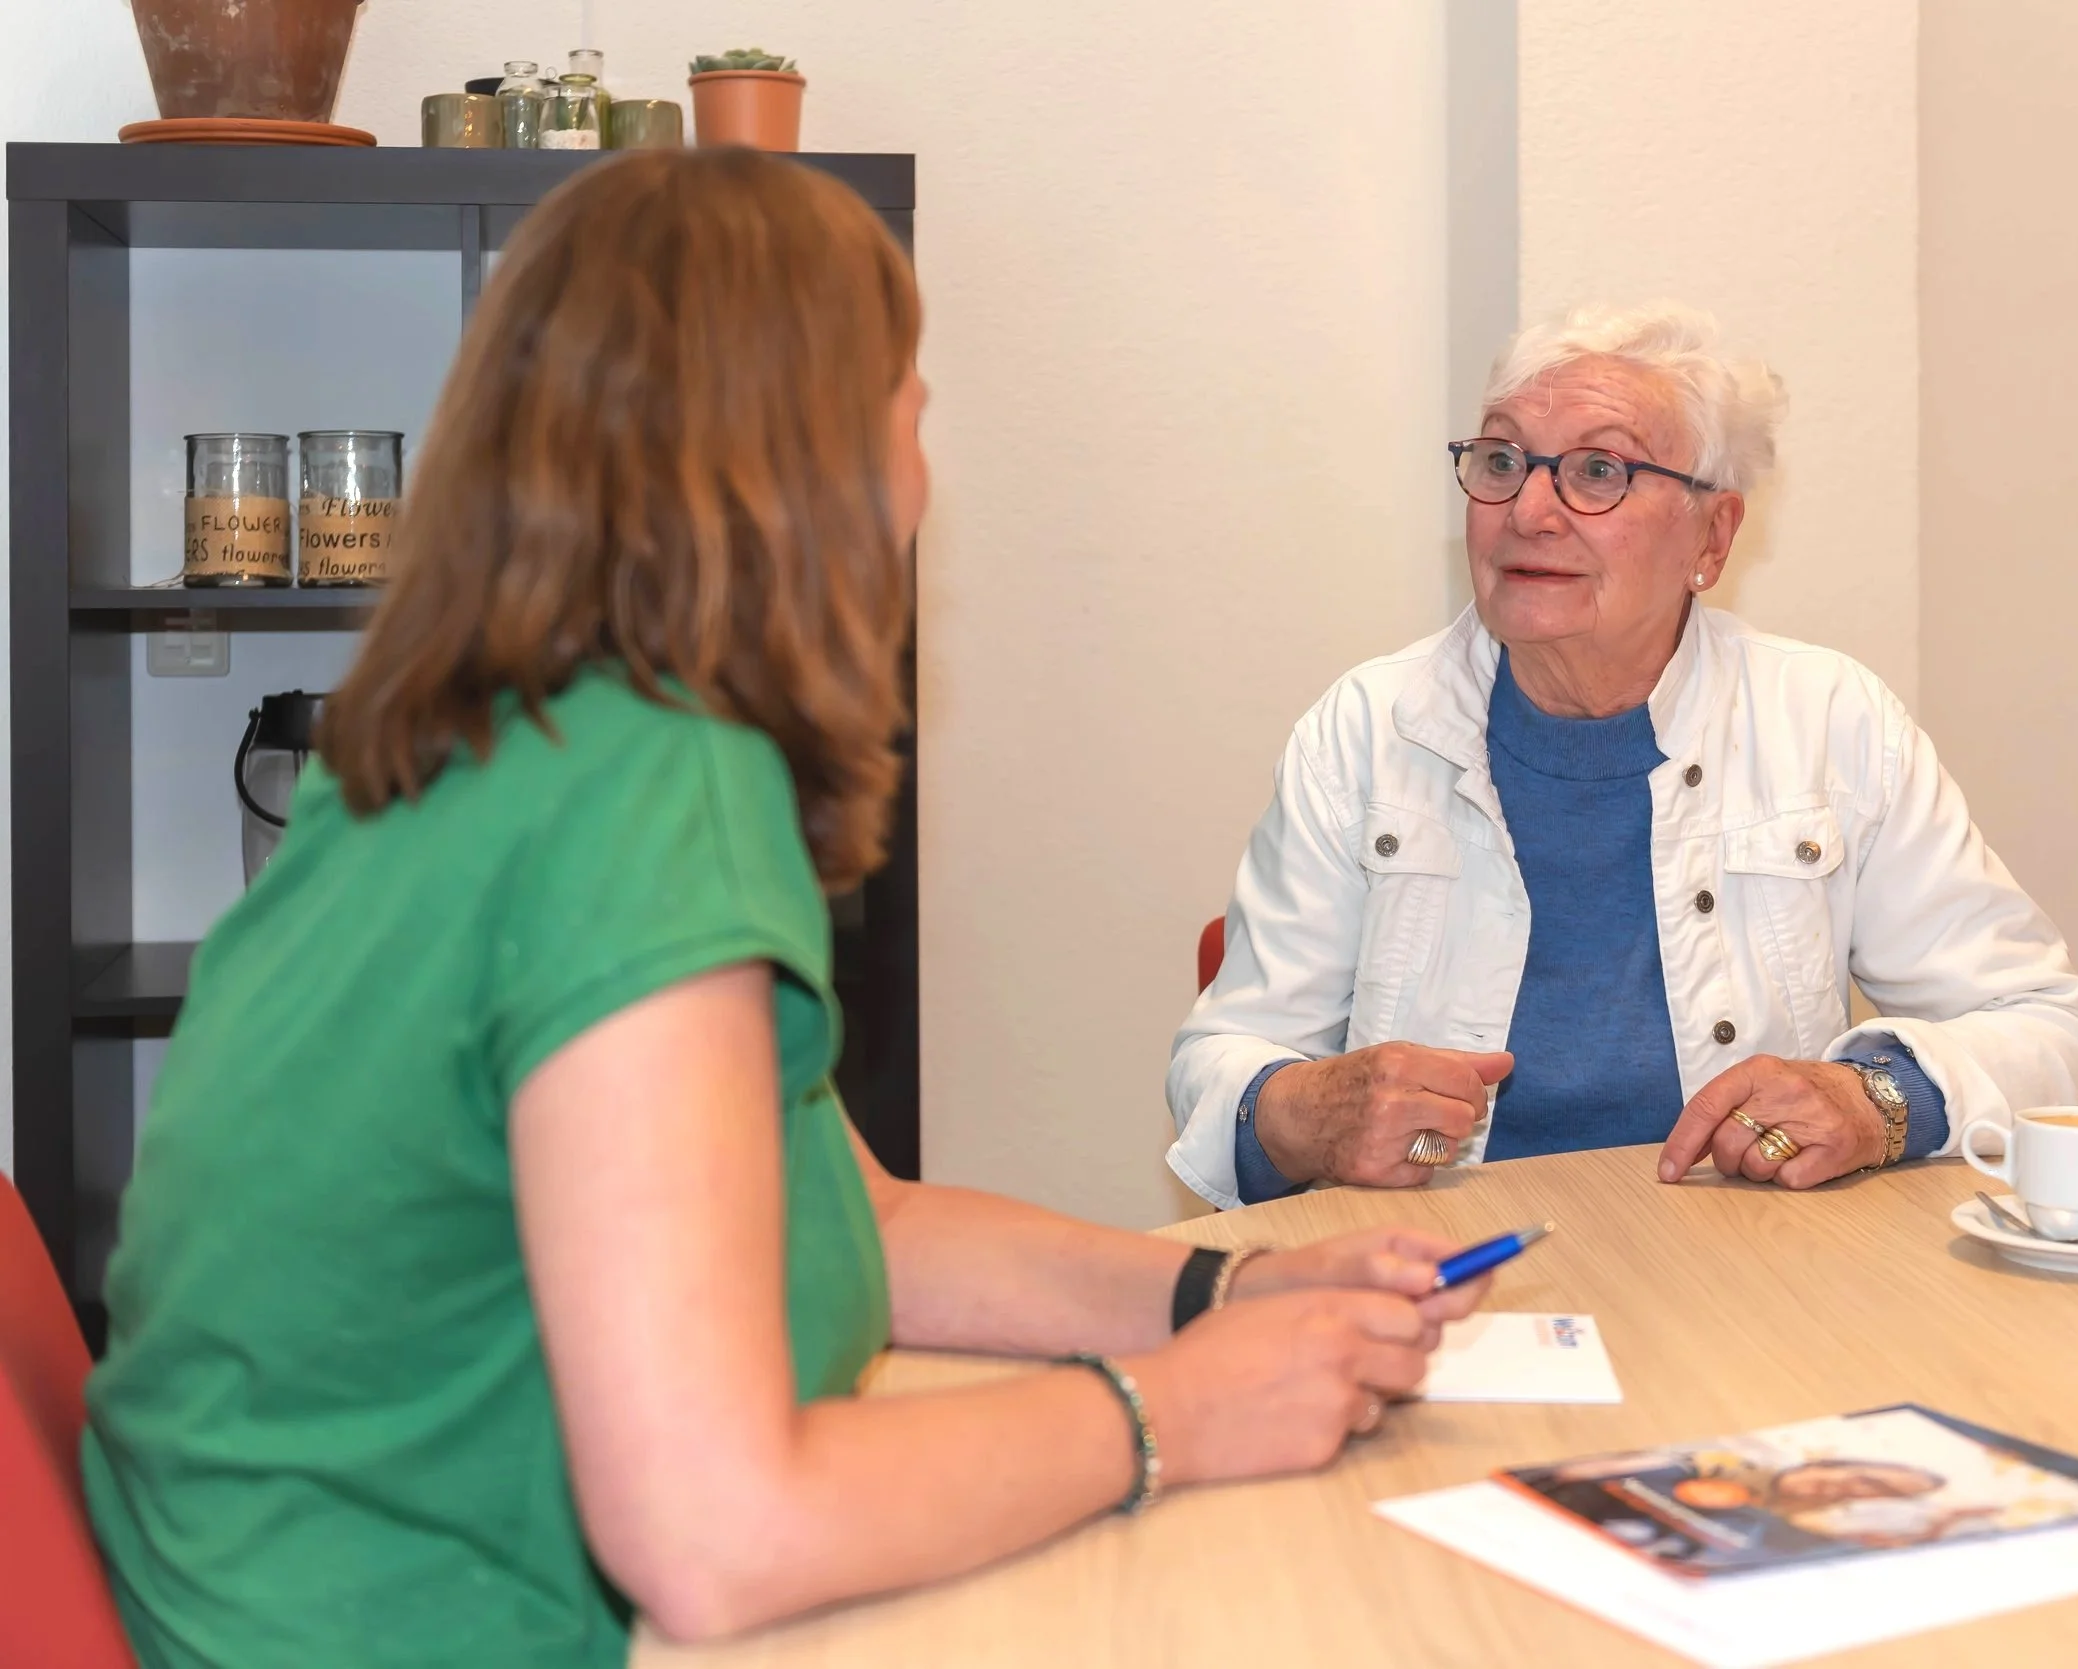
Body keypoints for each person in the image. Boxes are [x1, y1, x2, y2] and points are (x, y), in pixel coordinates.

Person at [81, 150, 1486, 1669]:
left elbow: (857, 1221)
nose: (923, 472)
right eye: (910, 407)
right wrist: (1176, 1416)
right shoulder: (648, 796)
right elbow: (716, 1533)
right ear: (805, 454)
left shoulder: (471, 743)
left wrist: (1230, 1291)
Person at [1167, 300, 2078, 1209]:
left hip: (1747, 1269)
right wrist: (1301, 1112)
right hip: (1434, 1262)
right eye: (1503, 460)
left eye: (1597, 471)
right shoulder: (1366, 728)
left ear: (1714, 534)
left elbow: (2050, 1029)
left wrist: (1875, 1102)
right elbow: (1224, 1056)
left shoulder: (1829, 721)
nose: (1529, 509)